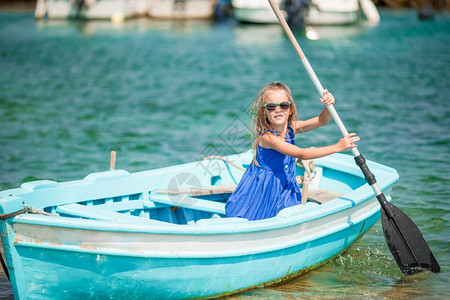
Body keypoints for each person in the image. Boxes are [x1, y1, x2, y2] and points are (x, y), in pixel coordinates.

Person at [225, 82, 359, 221]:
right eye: (271, 107)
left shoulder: (291, 128)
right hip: (264, 188)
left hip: (283, 184)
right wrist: (337, 147)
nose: (278, 110)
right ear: (264, 112)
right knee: (258, 217)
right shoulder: (268, 138)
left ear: (290, 109)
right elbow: (301, 153)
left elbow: (322, 120)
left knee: (287, 213)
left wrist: (328, 105)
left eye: (283, 105)